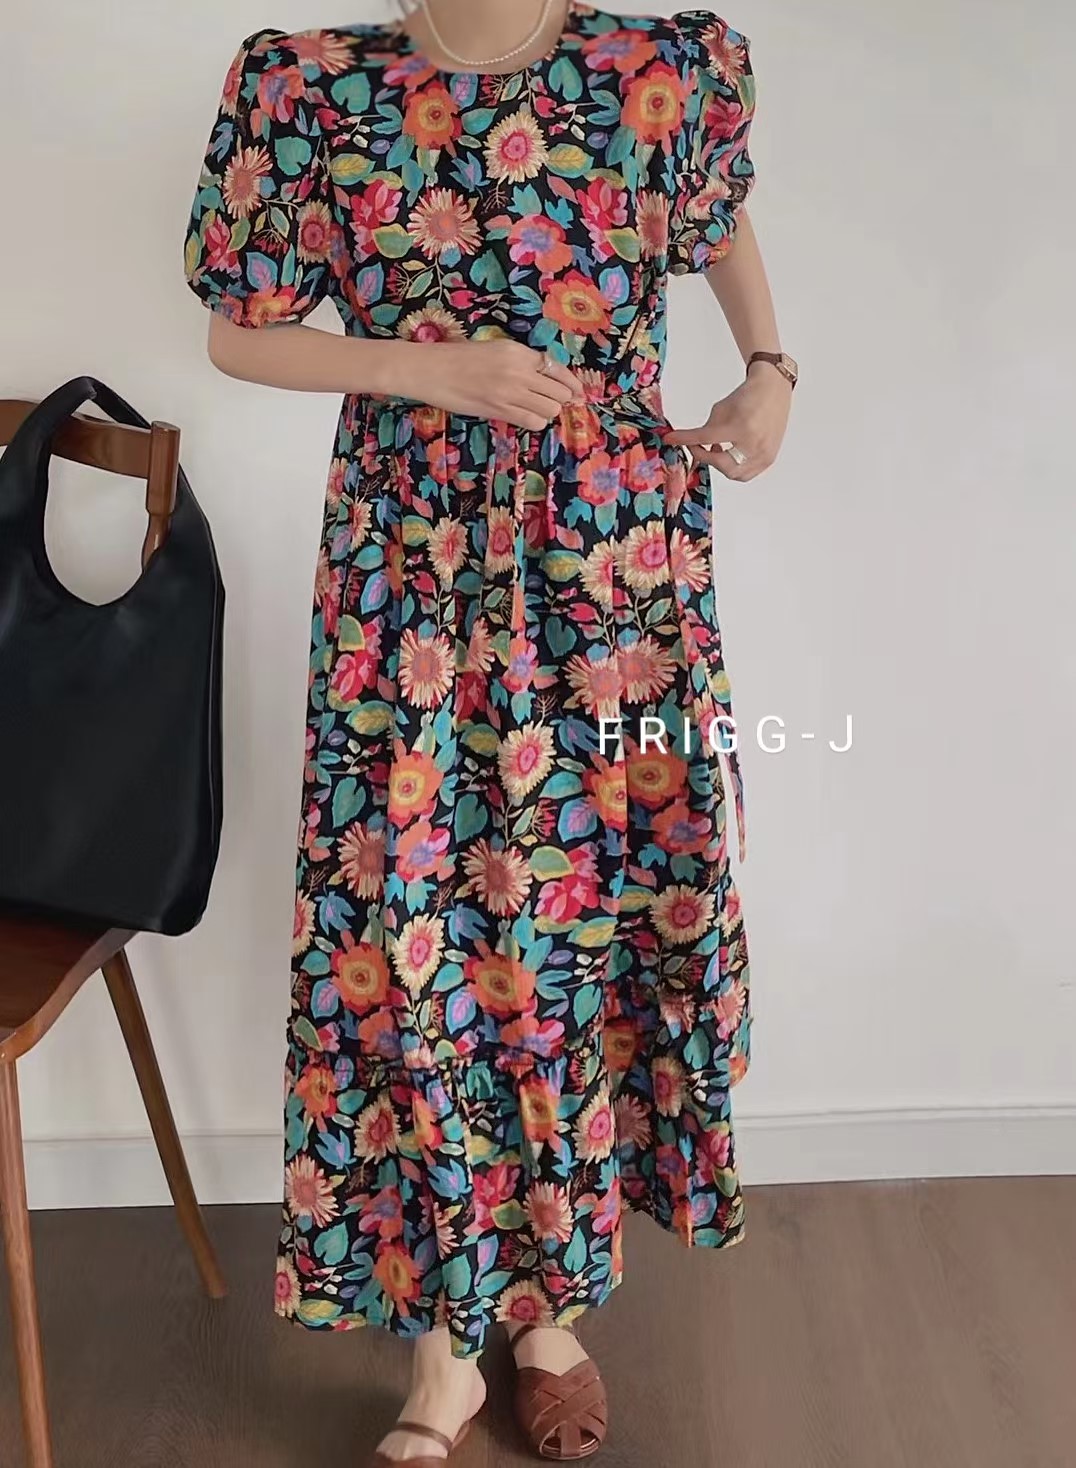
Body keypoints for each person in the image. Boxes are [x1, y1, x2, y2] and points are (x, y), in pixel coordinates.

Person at [182, 1, 793, 1461]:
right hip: (413, 566)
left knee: (574, 920)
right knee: (417, 924)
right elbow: (236, 332)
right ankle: (445, 1343)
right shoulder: (311, 84)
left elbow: (713, 222)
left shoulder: (661, 67)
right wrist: (422, 367)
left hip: (610, 567)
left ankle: (549, 1311)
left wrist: (770, 370)